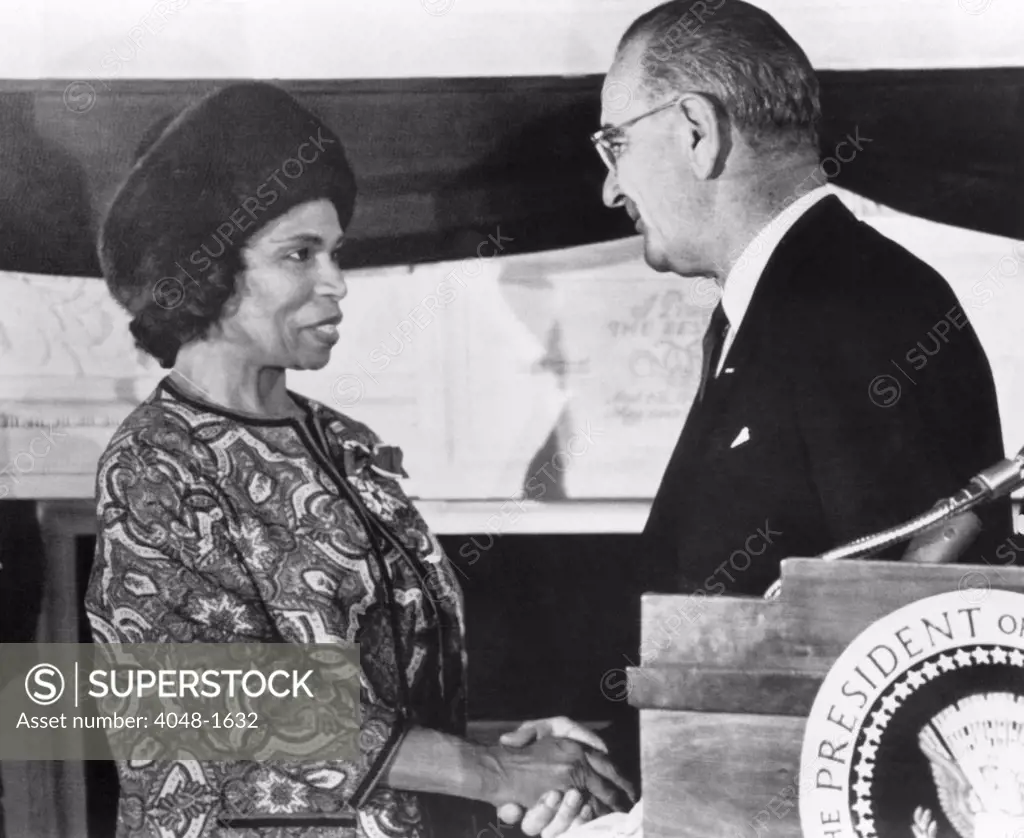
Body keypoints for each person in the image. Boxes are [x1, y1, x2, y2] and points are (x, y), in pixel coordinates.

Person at [85, 81, 632, 838]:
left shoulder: (344, 443)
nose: (336, 282)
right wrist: (491, 773)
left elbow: (378, 709)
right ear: (205, 263)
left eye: (334, 252)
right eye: (298, 254)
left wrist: (513, 755)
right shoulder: (154, 463)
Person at [590, 0, 1011, 599]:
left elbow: (900, 609)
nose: (609, 189)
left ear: (697, 132)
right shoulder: (785, 295)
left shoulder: (853, 299)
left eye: (615, 144)